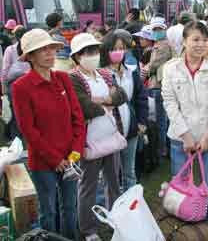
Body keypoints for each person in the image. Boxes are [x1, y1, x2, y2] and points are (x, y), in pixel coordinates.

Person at [12, 29, 86, 240]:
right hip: (44, 161)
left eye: (51, 48)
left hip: (70, 159)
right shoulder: (21, 87)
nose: (49, 53)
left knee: (70, 207)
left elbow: (77, 118)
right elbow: (28, 129)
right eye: (42, 50)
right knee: (48, 211)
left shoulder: (63, 79)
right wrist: (55, 159)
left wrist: (75, 152)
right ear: (30, 56)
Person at [162, 21, 208, 221]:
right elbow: (170, 103)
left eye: (205, 40)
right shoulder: (171, 68)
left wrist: (206, 137)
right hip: (180, 138)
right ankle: (182, 227)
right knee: (180, 187)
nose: (201, 44)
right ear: (184, 41)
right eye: (195, 39)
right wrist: (186, 136)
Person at [68, 33, 127, 241]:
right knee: (88, 186)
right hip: (90, 141)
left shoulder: (104, 73)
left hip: (110, 138)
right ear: (77, 57)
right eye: (87, 52)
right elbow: (84, 108)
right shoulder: (73, 78)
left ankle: (115, 219)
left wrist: (101, 99)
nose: (92, 55)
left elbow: (121, 96)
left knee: (113, 183)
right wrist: (107, 103)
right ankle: (88, 229)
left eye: (94, 51)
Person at [100, 31, 148, 191]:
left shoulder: (131, 71)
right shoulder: (101, 74)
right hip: (109, 131)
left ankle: (131, 206)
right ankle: (114, 206)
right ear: (106, 51)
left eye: (121, 48)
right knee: (111, 174)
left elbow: (141, 97)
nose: (118, 52)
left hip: (131, 129)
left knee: (130, 172)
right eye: (114, 48)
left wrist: (141, 122)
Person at [142, 17, 175, 157]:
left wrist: (145, 71)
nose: (156, 31)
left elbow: (154, 64)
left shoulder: (163, 46)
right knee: (162, 118)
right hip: (157, 84)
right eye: (154, 29)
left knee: (161, 119)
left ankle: (162, 149)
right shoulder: (159, 44)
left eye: (159, 29)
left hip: (159, 85)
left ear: (164, 29)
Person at [2, 26, 30, 141]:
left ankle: (16, 138)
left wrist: (3, 85)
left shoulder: (10, 49)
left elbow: (5, 69)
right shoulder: (29, 49)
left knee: (16, 111)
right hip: (28, 82)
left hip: (13, 84)